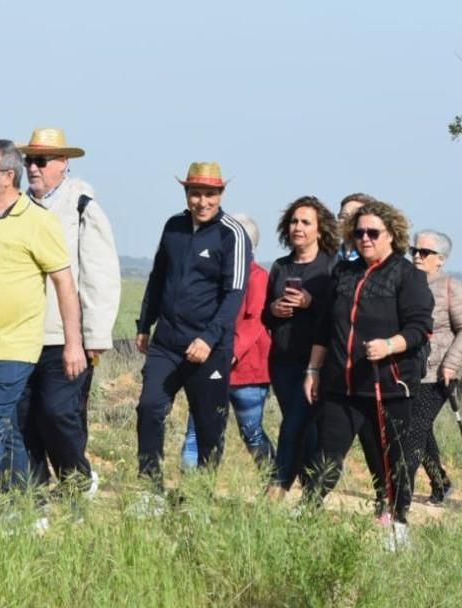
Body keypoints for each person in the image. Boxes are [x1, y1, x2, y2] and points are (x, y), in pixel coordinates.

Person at [0, 139, 85, 501]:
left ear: (8, 176)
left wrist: (74, 343)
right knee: (5, 429)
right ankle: (25, 500)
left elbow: (64, 285)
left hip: (15, 345)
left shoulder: (38, 221)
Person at [303, 198, 433, 550]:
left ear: (391, 235)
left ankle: (398, 526)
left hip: (387, 388)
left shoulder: (408, 276)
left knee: (392, 464)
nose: (365, 238)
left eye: (373, 232)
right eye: (358, 232)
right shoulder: (343, 274)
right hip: (340, 388)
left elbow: (420, 327)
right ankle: (304, 522)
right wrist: (313, 369)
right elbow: (324, 328)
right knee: (327, 458)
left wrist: (390, 345)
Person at [14, 128, 120, 494]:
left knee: (60, 412)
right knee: (25, 414)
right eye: (29, 160)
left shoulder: (82, 206)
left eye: (41, 161)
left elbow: (100, 274)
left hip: (66, 334)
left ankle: (77, 479)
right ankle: (36, 487)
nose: (33, 167)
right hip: (21, 332)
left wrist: (94, 336)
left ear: (64, 164)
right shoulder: (18, 206)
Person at [135, 162, 249, 496]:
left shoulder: (233, 234)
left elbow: (235, 294)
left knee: (209, 424)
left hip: (208, 348)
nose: (202, 201)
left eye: (210, 194)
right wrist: (145, 324)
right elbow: (158, 277)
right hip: (166, 343)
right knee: (149, 408)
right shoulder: (173, 227)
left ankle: (202, 494)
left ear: (221, 194)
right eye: (196, 193)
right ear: (186, 194)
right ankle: (149, 489)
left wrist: (209, 338)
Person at [181, 214, 274, 472]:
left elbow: (254, 321)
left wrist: (229, 352)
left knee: (251, 432)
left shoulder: (258, 277)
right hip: (209, 362)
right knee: (196, 432)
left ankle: (275, 486)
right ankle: (193, 494)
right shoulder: (211, 275)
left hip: (247, 371)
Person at [263, 195, 339, 500]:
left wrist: (311, 302)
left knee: (294, 425)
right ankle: (313, 497)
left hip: (316, 363)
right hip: (282, 361)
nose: (298, 227)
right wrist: (276, 309)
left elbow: (337, 313)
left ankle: (275, 492)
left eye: (306, 222)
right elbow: (265, 313)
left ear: (320, 229)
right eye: (294, 221)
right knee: (304, 431)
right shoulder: (280, 267)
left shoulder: (331, 265)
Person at [406, 229, 462, 505]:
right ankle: (441, 483)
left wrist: (451, 364)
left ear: (441, 259)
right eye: (413, 250)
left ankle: (401, 491)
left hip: (438, 373)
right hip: (407, 372)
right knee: (418, 430)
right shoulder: (406, 282)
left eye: (424, 252)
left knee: (414, 429)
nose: (416, 256)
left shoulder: (451, 287)